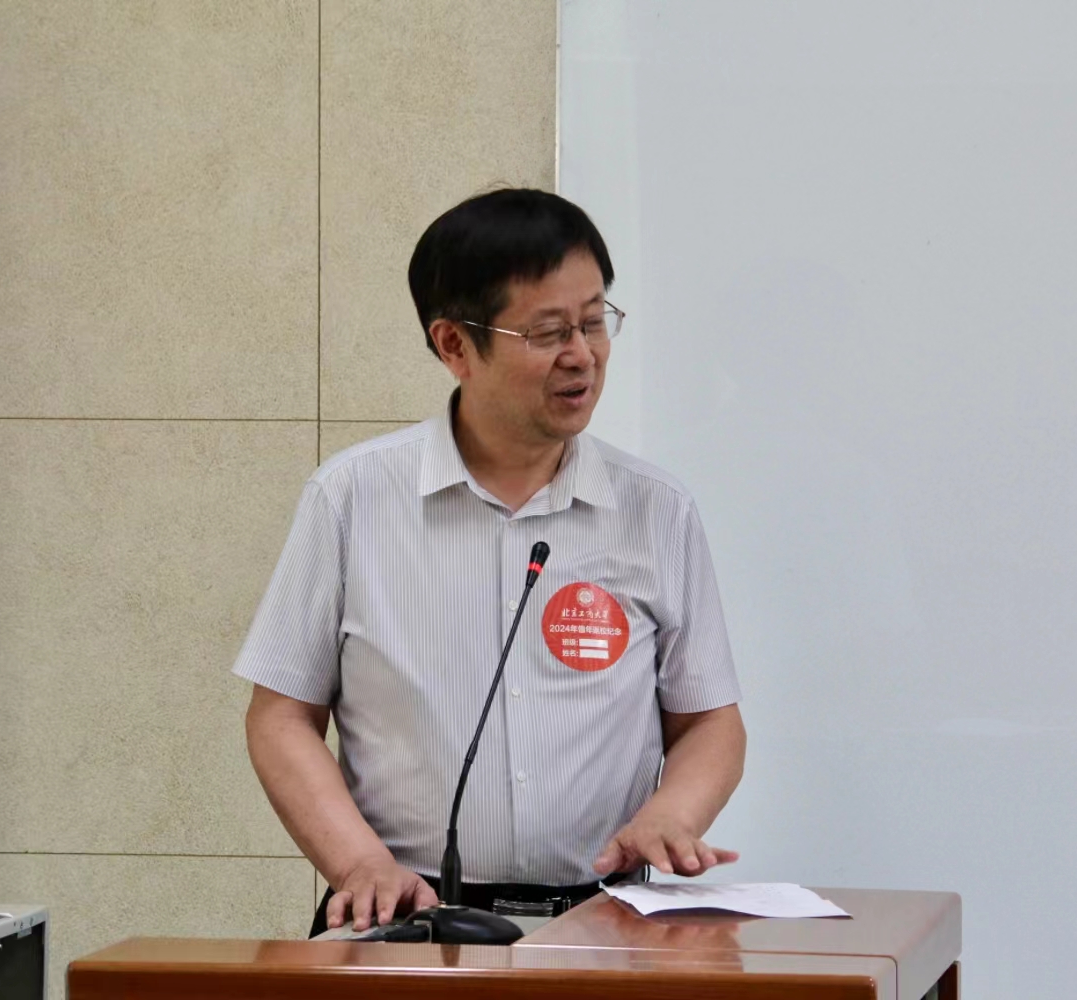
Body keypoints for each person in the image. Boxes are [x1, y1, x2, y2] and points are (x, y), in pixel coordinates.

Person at [234, 188, 746, 936]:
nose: (582, 355)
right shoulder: (352, 498)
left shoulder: (656, 510)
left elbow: (709, 721)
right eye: (547, 332)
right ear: (454, 346)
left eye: (593, 321)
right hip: (406, 920)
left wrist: (673, 814)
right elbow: (282, 715)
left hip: (603, 924)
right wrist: (358, 863)